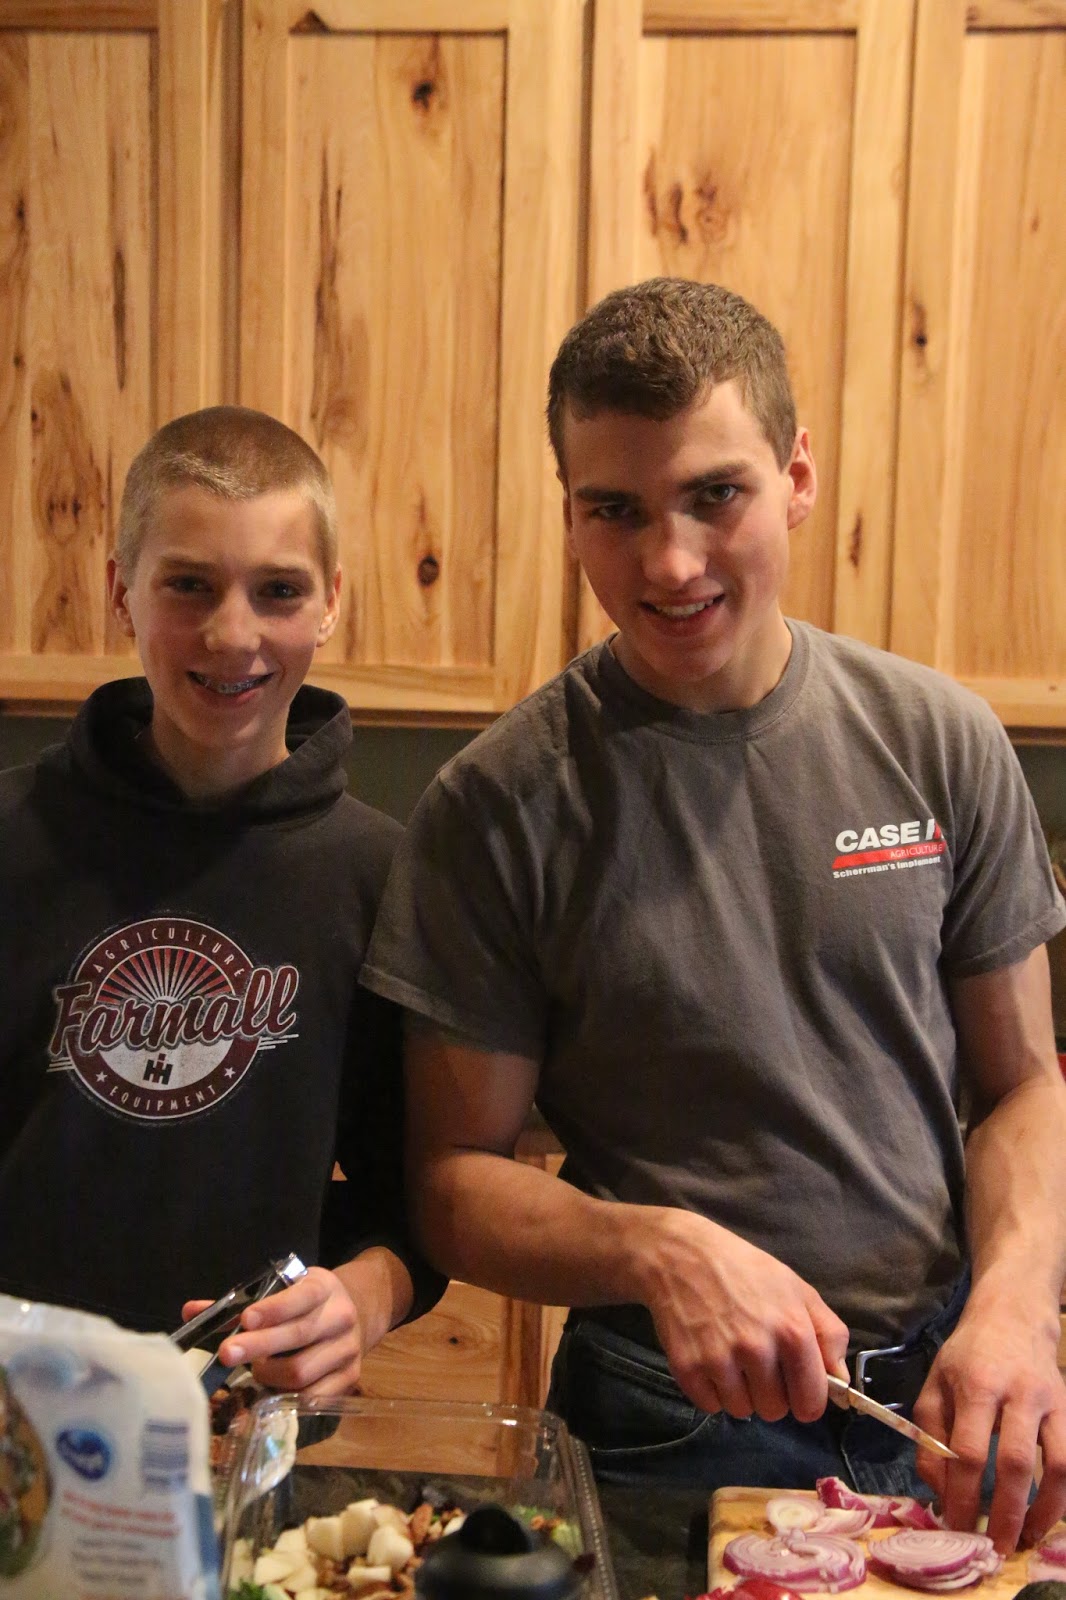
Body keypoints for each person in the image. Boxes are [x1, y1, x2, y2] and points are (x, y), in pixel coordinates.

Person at [360, 279, 1066, 1551]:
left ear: (796, 478)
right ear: (568, 513)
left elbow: (1021, 1085)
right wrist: (660, 1248)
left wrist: (1015, 1306)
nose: (670, 562)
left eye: (714, 495)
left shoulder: (937, 740)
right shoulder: (498, 804)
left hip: (950, 1395)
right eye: (614, 510)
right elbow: (452, 1183)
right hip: (666, 1421)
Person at [0, 405, 440, 1397]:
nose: (232, 633)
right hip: (20, 1425)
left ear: (331, 602)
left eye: (278, 590)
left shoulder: (384, 877)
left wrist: (360, 1300)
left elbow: (414, 1209)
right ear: (121, 592)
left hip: (251, 1422)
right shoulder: (14, 841)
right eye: (189, 584)